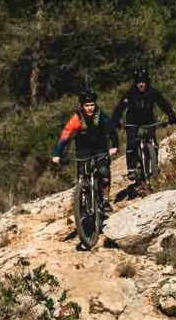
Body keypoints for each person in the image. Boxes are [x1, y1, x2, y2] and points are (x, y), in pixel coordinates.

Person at [49, 91, 122, 247]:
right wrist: (56, 154)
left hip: (100, 148)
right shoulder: (76, 118)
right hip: (83, 151)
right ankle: (82, 203)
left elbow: (111, 131)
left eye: (92, 105)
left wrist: (115, 146)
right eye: (87, 105)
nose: (90, 108)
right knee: (82, 176)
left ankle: (104, 200)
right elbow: (65, 135)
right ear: (81, 106)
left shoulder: (100, 116)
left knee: (103, 172)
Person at [113, 73, 176, 186]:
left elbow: (163, 103)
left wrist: (171, 115)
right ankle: (132, 169)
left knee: (153, 142)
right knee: (131, 143)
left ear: (146, 82)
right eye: (138, 82)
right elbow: (120, 108)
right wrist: (115, 120)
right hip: (133, 122)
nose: (141, 84)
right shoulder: (130, 93)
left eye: (143, 82)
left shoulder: (153, 92)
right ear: (136, 83)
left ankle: (153, 166)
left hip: (148, 122)